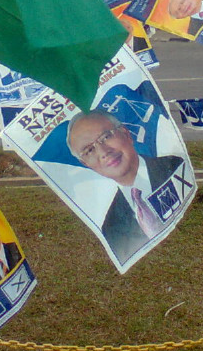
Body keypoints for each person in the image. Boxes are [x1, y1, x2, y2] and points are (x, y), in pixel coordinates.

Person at [66, 111, 183, 263]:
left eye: (106, 137)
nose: (103, 152)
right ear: (86, 164)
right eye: (89, 150)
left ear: (125, 133)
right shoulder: (111, 227)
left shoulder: (175, 166)